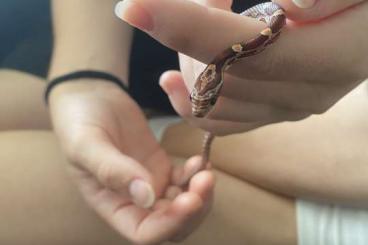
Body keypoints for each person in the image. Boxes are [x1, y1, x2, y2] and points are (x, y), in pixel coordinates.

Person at [1, 0, 368, 244]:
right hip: (147, 71)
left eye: (204, 99)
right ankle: (160, 134)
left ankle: (161, 135)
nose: (203, 101)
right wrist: (84, 76)